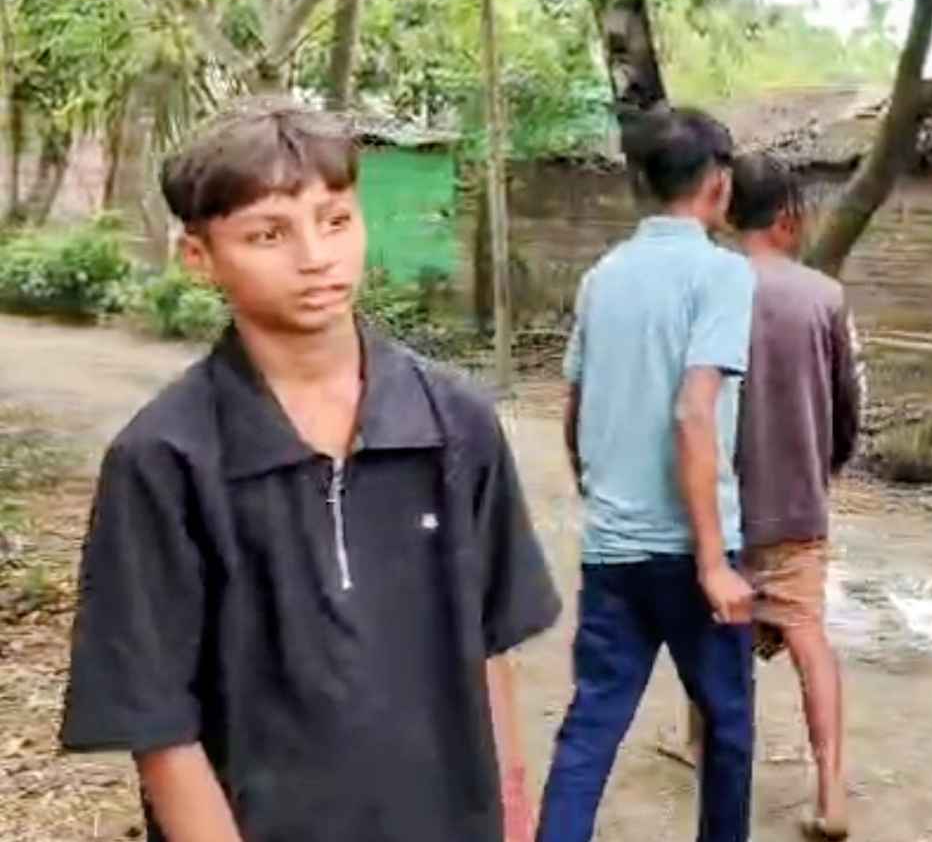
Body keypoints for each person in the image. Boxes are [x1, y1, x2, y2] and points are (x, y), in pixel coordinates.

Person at [60, 98, 560, 842]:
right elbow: (160, 727)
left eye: (335, 220)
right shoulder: (164, 461)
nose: (315, 256)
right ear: (199, 256)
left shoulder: (456, 425)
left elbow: (490, 646)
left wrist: (514, 817)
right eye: (269, 234)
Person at [536, 108, 758, 842]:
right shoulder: (723, 275)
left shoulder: (603, 277)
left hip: (614, 551)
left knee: (591, 724)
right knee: (726, 728)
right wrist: (712, 563)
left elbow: (575, 407)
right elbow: (694, 412)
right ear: (719, 183)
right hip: (693, 554)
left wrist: (598, 491)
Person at [724, 155, 863, 840]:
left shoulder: (709, 286)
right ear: (788, 218)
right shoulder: (824, 297)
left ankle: (705, 749)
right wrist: (825, 466)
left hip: (723, 505)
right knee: (809, 637)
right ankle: (831, 791)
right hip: (797, 503)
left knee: (720, 630)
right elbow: (848, 403)